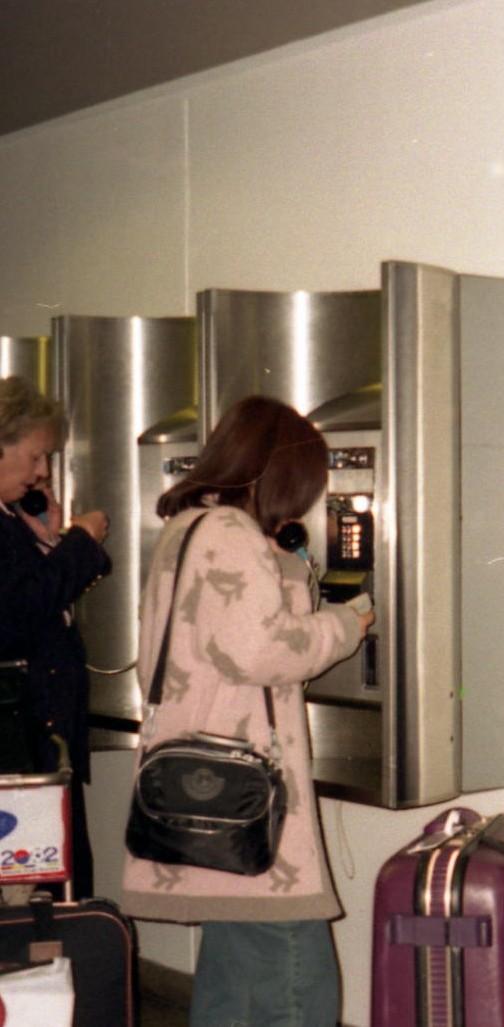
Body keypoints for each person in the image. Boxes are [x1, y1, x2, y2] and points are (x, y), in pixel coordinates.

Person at [121, 394, 374, 1027]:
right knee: (296, 975)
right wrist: (348, 624)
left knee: (234, 977)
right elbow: (265, 650)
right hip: (247, 789)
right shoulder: (231, 535)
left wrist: (285, 566)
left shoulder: (188, 528)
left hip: (206, 780)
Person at [0, 375, 111, 899]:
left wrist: (47, 542)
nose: (43, 471)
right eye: (36, 456)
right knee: (39, 894)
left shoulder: (10, 521)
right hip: (18, 743)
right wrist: (80, 543)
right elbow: (16, 616)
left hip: (36, 737)